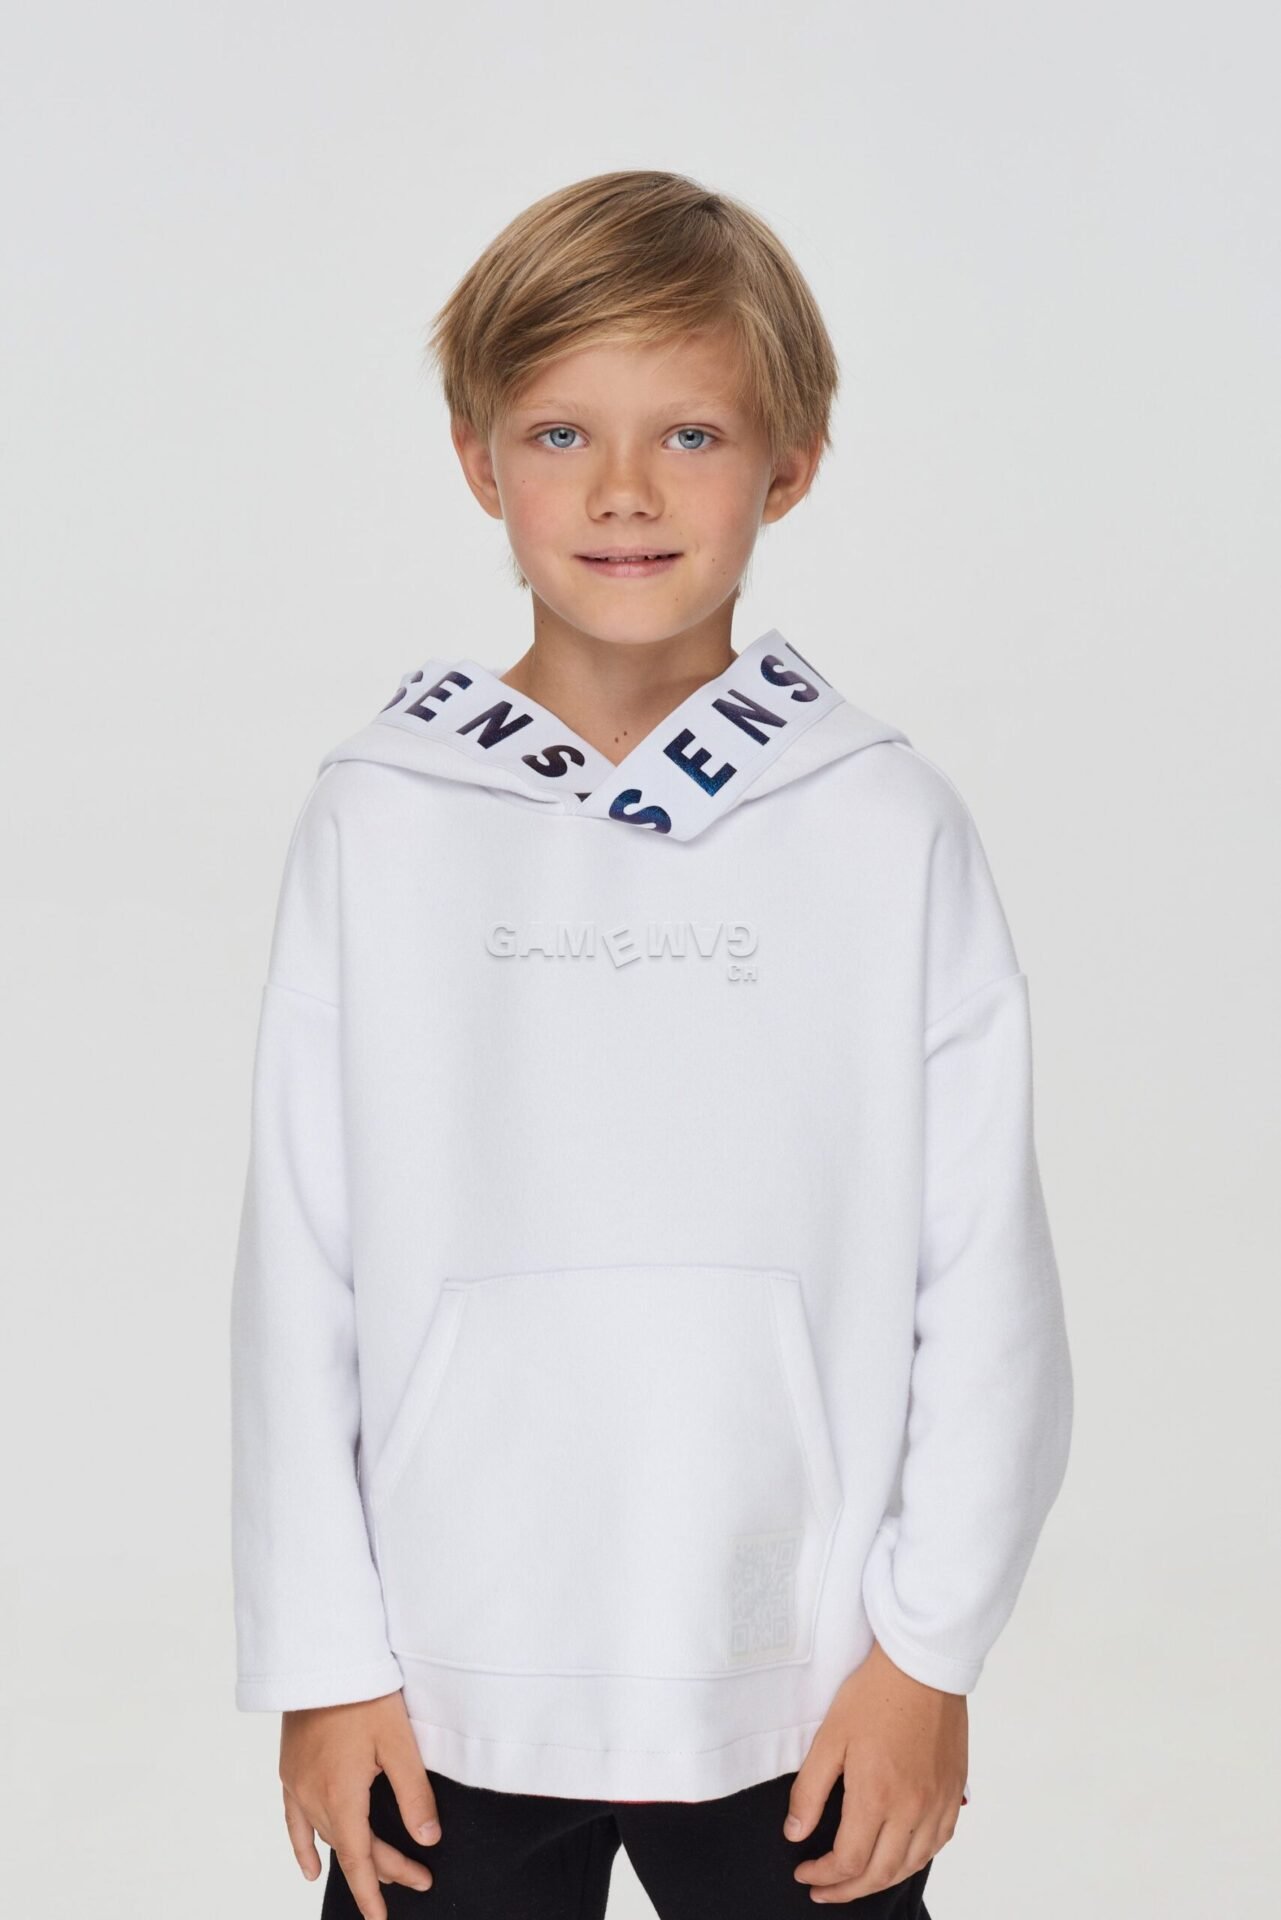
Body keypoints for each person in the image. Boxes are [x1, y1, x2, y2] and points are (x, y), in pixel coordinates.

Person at [229, 169, 1073, 1920]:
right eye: (560, 433)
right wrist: (321, 1657)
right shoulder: (381, 819)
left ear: (791, 462)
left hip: (807, 1682)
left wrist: (927, 1656)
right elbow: (299, 1263)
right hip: (440, 1686)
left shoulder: (882, 824)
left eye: (689, 433)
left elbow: (986, 1275)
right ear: (476, 460)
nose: (622, 490)